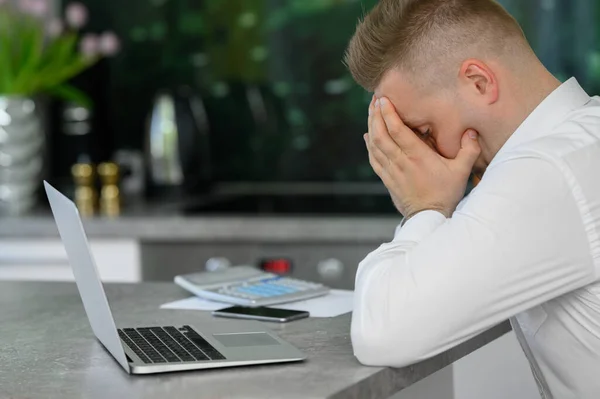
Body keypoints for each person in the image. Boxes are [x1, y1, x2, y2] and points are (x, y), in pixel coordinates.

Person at [343, 0, 600, 398]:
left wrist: (423, 208)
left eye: (424, 131)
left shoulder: (548, 170)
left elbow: (385, 332)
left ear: (479, 82)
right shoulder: (580, 142)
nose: (420, 154)